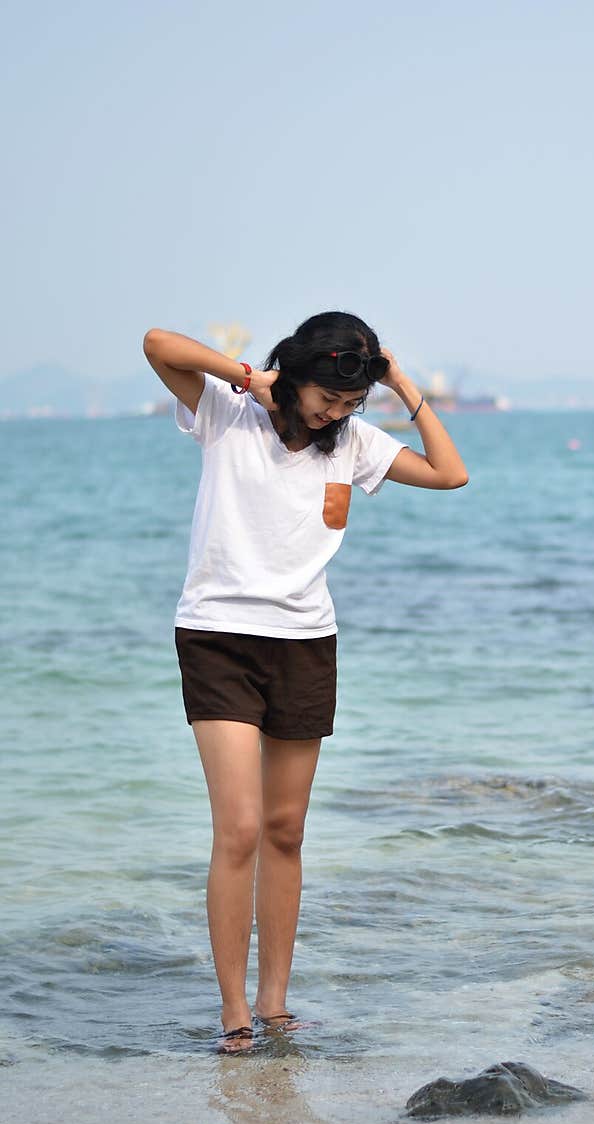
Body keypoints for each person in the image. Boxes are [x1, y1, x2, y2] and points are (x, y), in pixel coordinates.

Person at [143, 312, 468, 1053]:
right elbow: (158, 344)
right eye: (329, 397)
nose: (337, 413)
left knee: (286, 831)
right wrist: (248, 378)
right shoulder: (225, 413)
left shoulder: (352, 442)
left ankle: (276, 1001)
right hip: (218, 636)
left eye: (352, 402)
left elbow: (451, 473)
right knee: (243, 827)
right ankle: (232, 1012)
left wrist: (401, 385)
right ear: (295, 374)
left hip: (305, 645)